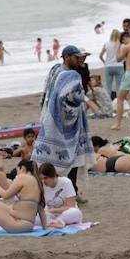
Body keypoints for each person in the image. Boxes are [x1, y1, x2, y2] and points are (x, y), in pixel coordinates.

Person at [33, 46, 94, 197]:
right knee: (72, 155)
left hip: (50, 116)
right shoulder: (71, 74)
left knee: (51, 155)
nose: (80, 59)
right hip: (66, 121)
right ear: (67, 57)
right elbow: (76, 98)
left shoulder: (55, 70)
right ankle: (70, 192)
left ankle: (56, 191)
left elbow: (47, 91)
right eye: (76, 57)